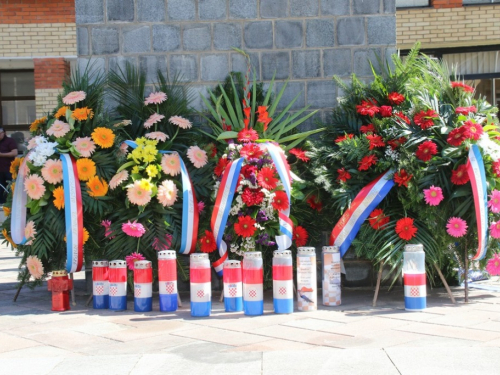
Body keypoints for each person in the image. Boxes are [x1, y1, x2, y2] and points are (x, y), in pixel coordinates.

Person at [0, 128, 18, 204]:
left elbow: (15, 153)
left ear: (4, 133)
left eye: (0, 133)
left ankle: (10, 204)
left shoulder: (10, 141)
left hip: (8, 169)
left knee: (10, 188)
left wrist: (2, 155)